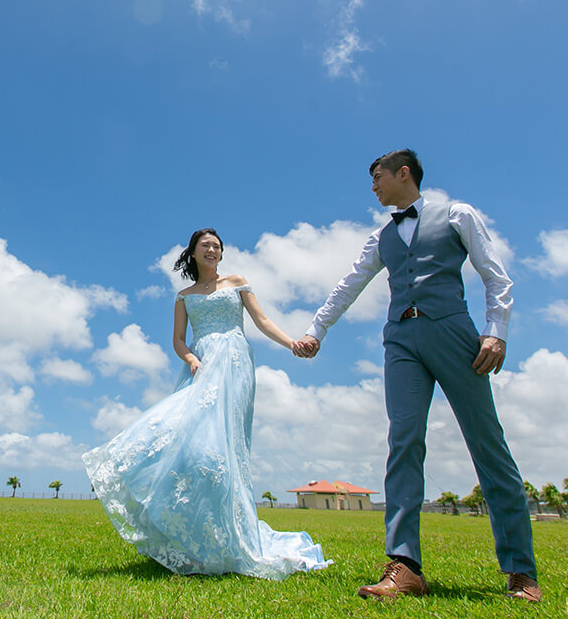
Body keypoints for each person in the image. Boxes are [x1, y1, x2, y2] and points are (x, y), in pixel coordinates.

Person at [295, 149, 540, 603]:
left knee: (486, 443)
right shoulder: (380, 237)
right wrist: (316, 330)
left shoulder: (457, 214)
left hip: (454, 332)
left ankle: (521, 571)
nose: (373, 186)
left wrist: (496, 331)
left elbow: (496, 276)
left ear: (403, 173)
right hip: (400, 341)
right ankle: (404, 567)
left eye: (378, 177)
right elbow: (349, 284)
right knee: (404, 442)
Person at [83, 228, 330, 579]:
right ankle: (191, 537)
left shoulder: (237, 282)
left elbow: (261, 321)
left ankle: (232, 538)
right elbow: (178, 341)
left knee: (228, 447)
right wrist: (192, 360)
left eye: (217, 246)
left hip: (236, 362)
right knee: (192, 445)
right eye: (206, 246)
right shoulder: (183, 296)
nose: (212, 250)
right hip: (201, 366)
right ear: (193, 253)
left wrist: (291, 343)